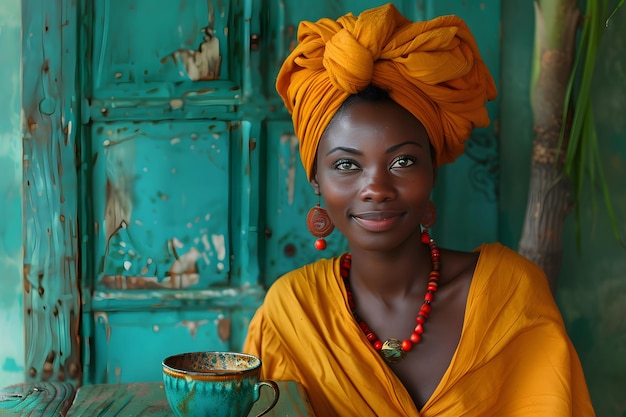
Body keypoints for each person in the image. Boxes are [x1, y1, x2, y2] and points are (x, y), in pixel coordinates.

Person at [243, 3, 595, 416]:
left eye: (402, 161)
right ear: (316, 181)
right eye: (346, 165)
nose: (376, 188)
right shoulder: (291, 316)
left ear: (432, 172)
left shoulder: (512, 296)